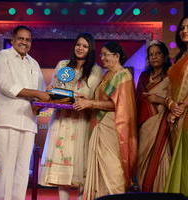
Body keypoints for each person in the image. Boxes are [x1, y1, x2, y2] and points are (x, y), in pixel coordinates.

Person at [38, 32, 102, 200]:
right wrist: (65, 95)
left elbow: (94, 97)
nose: (80, 48)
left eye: (85, 46)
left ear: (91, 49)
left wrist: (84, 99)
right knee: (62, 172)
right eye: (78, 45)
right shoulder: (63, 65)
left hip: (82, 121)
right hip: (62, 121)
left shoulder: (96, 71)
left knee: (81, 168)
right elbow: (53, 89)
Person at [0, 25, 50, 200]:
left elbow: (40, 92)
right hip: (6, 120)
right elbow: (6, 85)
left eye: (28, 39)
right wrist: (37, 94)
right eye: (21, 38)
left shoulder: (34, 63)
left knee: (23, 171)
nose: (24, 42)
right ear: (13, 39)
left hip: (28, 122)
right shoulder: (3, 57)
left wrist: (43, 102)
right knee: (4, 169)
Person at [73, 41, 137, 200]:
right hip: (99, 125)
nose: (102, 58)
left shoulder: (123, 75)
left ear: (116, 56)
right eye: (101, 54)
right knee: (99, 170)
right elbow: (102, 99)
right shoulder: (106, 74)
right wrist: (87, 99)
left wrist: (91, 103)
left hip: (113, 127)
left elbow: (118, 105)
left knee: (112, 168)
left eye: (105, 54)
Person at [136, 40, 172, 192]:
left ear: (164, 56)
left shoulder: (171, 75)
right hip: (145, 125)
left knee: (162, 157)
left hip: (163, 123)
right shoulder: (144, 76)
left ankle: (161, 191)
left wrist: (159, 100)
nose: (154, 57)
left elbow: (176, 98)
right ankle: (145, 191)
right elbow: (137, 100)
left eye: (158, 54)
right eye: (151, 55)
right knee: (142, 158)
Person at [164, 16, 188, 196]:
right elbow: (169, 90)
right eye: (182, 27)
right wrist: (171, 105)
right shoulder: (180, 57)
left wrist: (182, 107)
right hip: (174, 118)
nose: (184, 31)